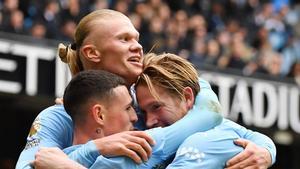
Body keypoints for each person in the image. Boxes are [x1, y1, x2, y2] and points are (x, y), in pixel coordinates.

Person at [17, 9, 273, 169]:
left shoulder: (152, 97)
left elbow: (213, 114)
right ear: (92, 52)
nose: (137, 47)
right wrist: (98, 147)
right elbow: (33, 164)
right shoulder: (59, 115)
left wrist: (265, 151)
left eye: (137, 39)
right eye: (124, 39)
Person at [33, 53, 276, 169]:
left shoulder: (208, 141)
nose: (148, 121)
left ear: (189, 97)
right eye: (141, 110)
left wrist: (266, 150)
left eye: (156, 107)